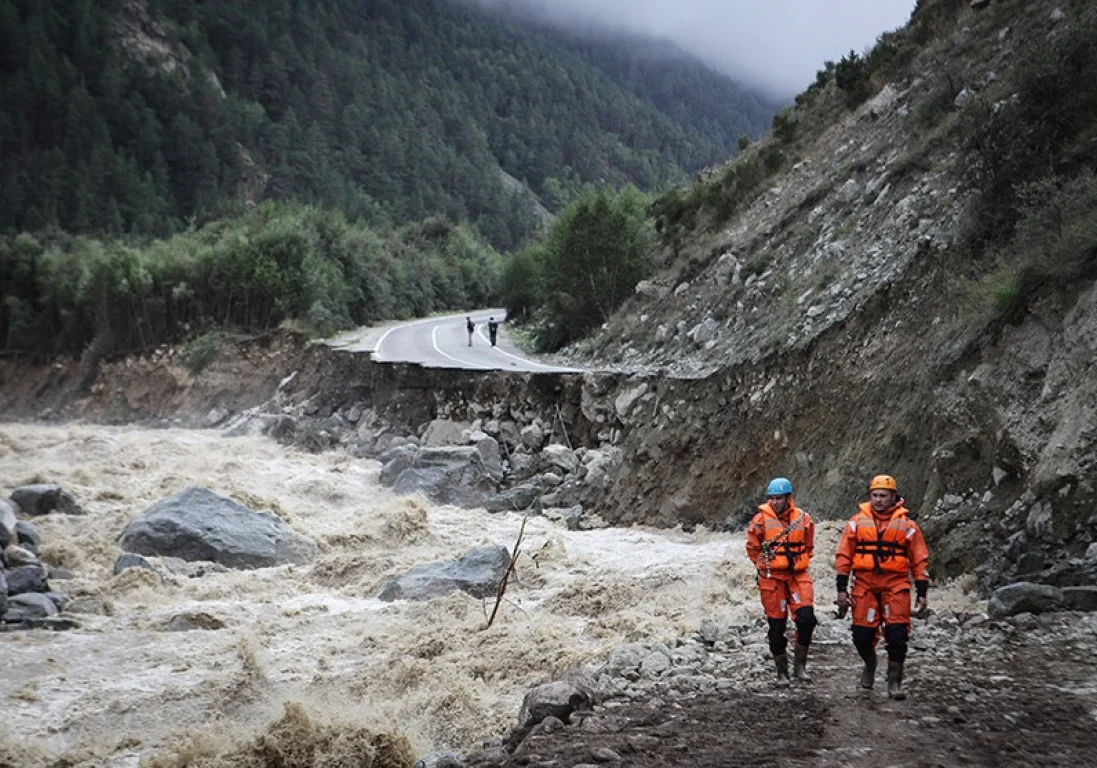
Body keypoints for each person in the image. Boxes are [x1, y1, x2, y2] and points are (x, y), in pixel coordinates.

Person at [835, 474, 929, 700]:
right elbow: (844, 556)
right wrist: (841, 589)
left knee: (897, 635)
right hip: (865, 585)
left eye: (883, 496)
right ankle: (870, 664)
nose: (878, 500)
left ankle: (894, 681)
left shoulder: (908, 525)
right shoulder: (856, 522)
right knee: (861, 636)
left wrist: (922, 592)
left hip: (895, 585)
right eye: (874, 495)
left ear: (893, 497)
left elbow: (919, 560)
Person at [746, 477, 817, 687]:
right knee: (776, 627)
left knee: (807, 618)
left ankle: (800, 667)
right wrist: (765, 566)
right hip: (772, 579)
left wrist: (797, 563)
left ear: (788, 498)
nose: (775, 502)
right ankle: (781, 672)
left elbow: (809, 546)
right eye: (772, 499)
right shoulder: (760, 521)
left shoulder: (803, 519)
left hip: (797, 576)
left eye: (779, 498)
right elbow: (752, 548)